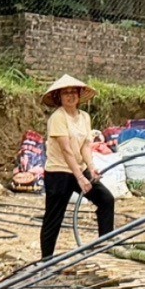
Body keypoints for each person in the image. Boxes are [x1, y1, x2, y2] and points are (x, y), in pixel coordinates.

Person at [38, 75, 114, 258]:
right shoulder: (58, 117)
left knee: (106, 199)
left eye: (73, 92)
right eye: (65, 93)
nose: (70, 96)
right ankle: (46, 259)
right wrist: (80, 177)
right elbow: (66, 150)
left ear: (79, 95)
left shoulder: (84, 117)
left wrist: (91, 168)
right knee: (54, 216)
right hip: (59, 173)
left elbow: (85, 146)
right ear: (59, 97)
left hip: (79, 168)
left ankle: (105, 246)